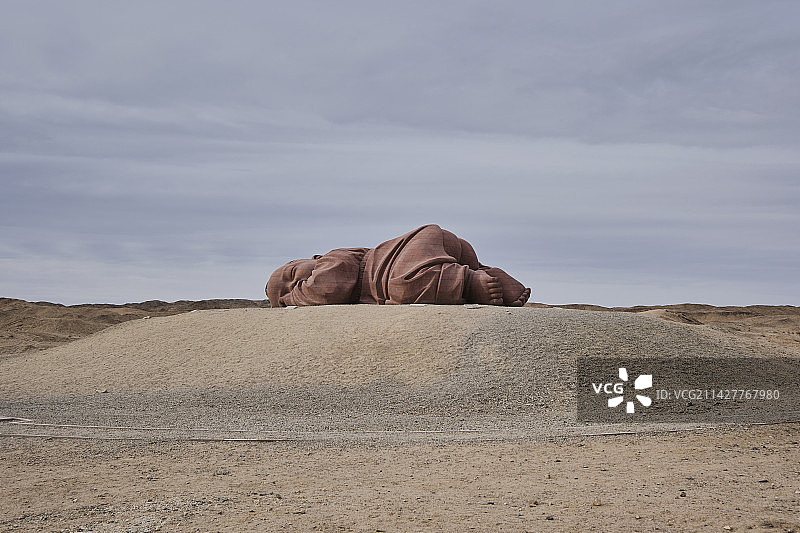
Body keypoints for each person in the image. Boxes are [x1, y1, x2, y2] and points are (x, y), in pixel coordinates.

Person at [266, 224, 530, 307]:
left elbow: (330, 288)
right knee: (402, 287)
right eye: (289, 288)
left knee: (402, 286)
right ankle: (484, 273)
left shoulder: (333, 260)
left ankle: (469, 282)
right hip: (439, 250)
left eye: (291, 274)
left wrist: (290, 299)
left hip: (415, 249)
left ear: (310, 258)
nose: (296, 284)